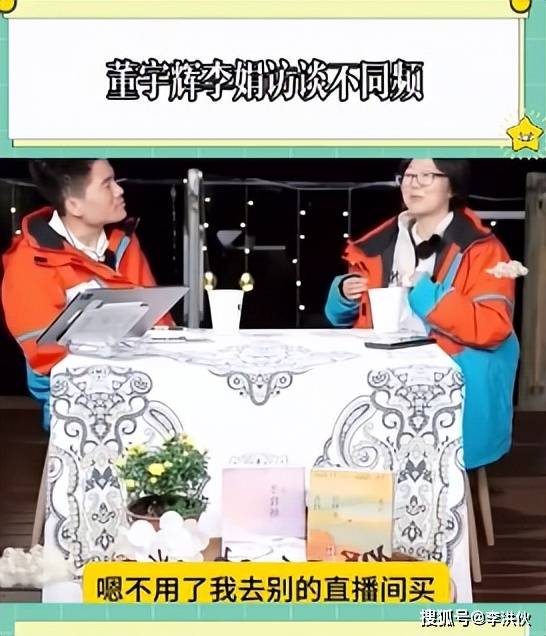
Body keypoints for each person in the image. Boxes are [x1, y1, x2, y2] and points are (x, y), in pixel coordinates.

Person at [325, 158, 519, 470]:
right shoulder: (378, 244)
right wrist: (343, 295)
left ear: (452, 187)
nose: (414, 184)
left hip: (448, 383)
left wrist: (428, 296)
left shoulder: (484, 249)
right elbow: (341, 319)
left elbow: (492, 327)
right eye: (408, 175)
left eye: (427, 175)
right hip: (383, 378)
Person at [1, 159, 172, 430]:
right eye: (107, 184)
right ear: (74, 205)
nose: (119, 190)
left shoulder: (125, 243)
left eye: (115, 180)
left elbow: (160, 324)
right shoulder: (30, 262)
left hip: (146, 388)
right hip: (76, 404)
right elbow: (45, 356)